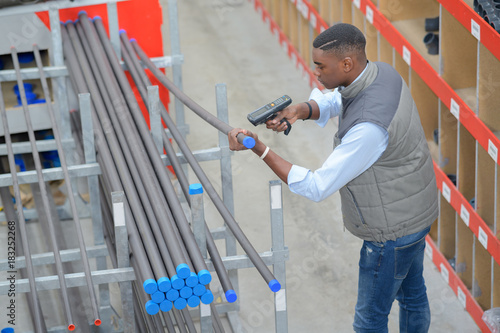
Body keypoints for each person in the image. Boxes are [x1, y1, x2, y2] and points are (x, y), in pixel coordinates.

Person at [228, 23, 439, 332]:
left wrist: (258, 148)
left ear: (346, 64)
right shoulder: (383, 74)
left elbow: (316, 186)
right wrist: (303, 109)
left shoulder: (368, 130)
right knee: (412, 297)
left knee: (369, 320)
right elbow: (345, 98)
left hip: (390, 234)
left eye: (320, 66)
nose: (315, 73)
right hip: (415, 214)